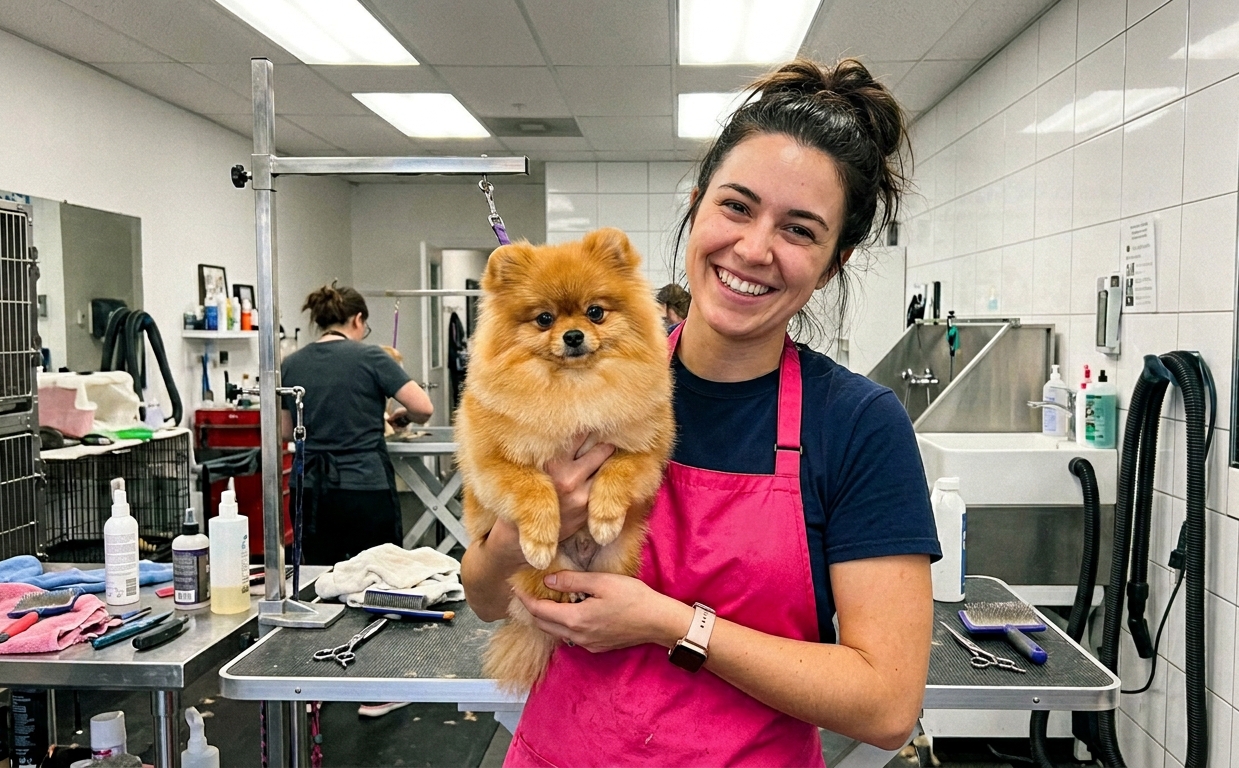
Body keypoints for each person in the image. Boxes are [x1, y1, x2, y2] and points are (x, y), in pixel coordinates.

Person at [462, 58, 940, 765]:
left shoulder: (857, 423)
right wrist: (527, 527)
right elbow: (483, 595)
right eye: (737, 207)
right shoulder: (579, 386)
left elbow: (887, 705)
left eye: (800, 230)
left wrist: (668, 624)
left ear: (833, 262)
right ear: (697, 206)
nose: (753, 248)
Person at [281, 283, 434, 566]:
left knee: (322, 579)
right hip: (365, 489)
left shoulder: (290, 364)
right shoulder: (371, 357)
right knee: (380, 576)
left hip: (311, 491)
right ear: (358, 319)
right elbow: (423, 408)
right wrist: (404, 417)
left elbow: (285, 429)